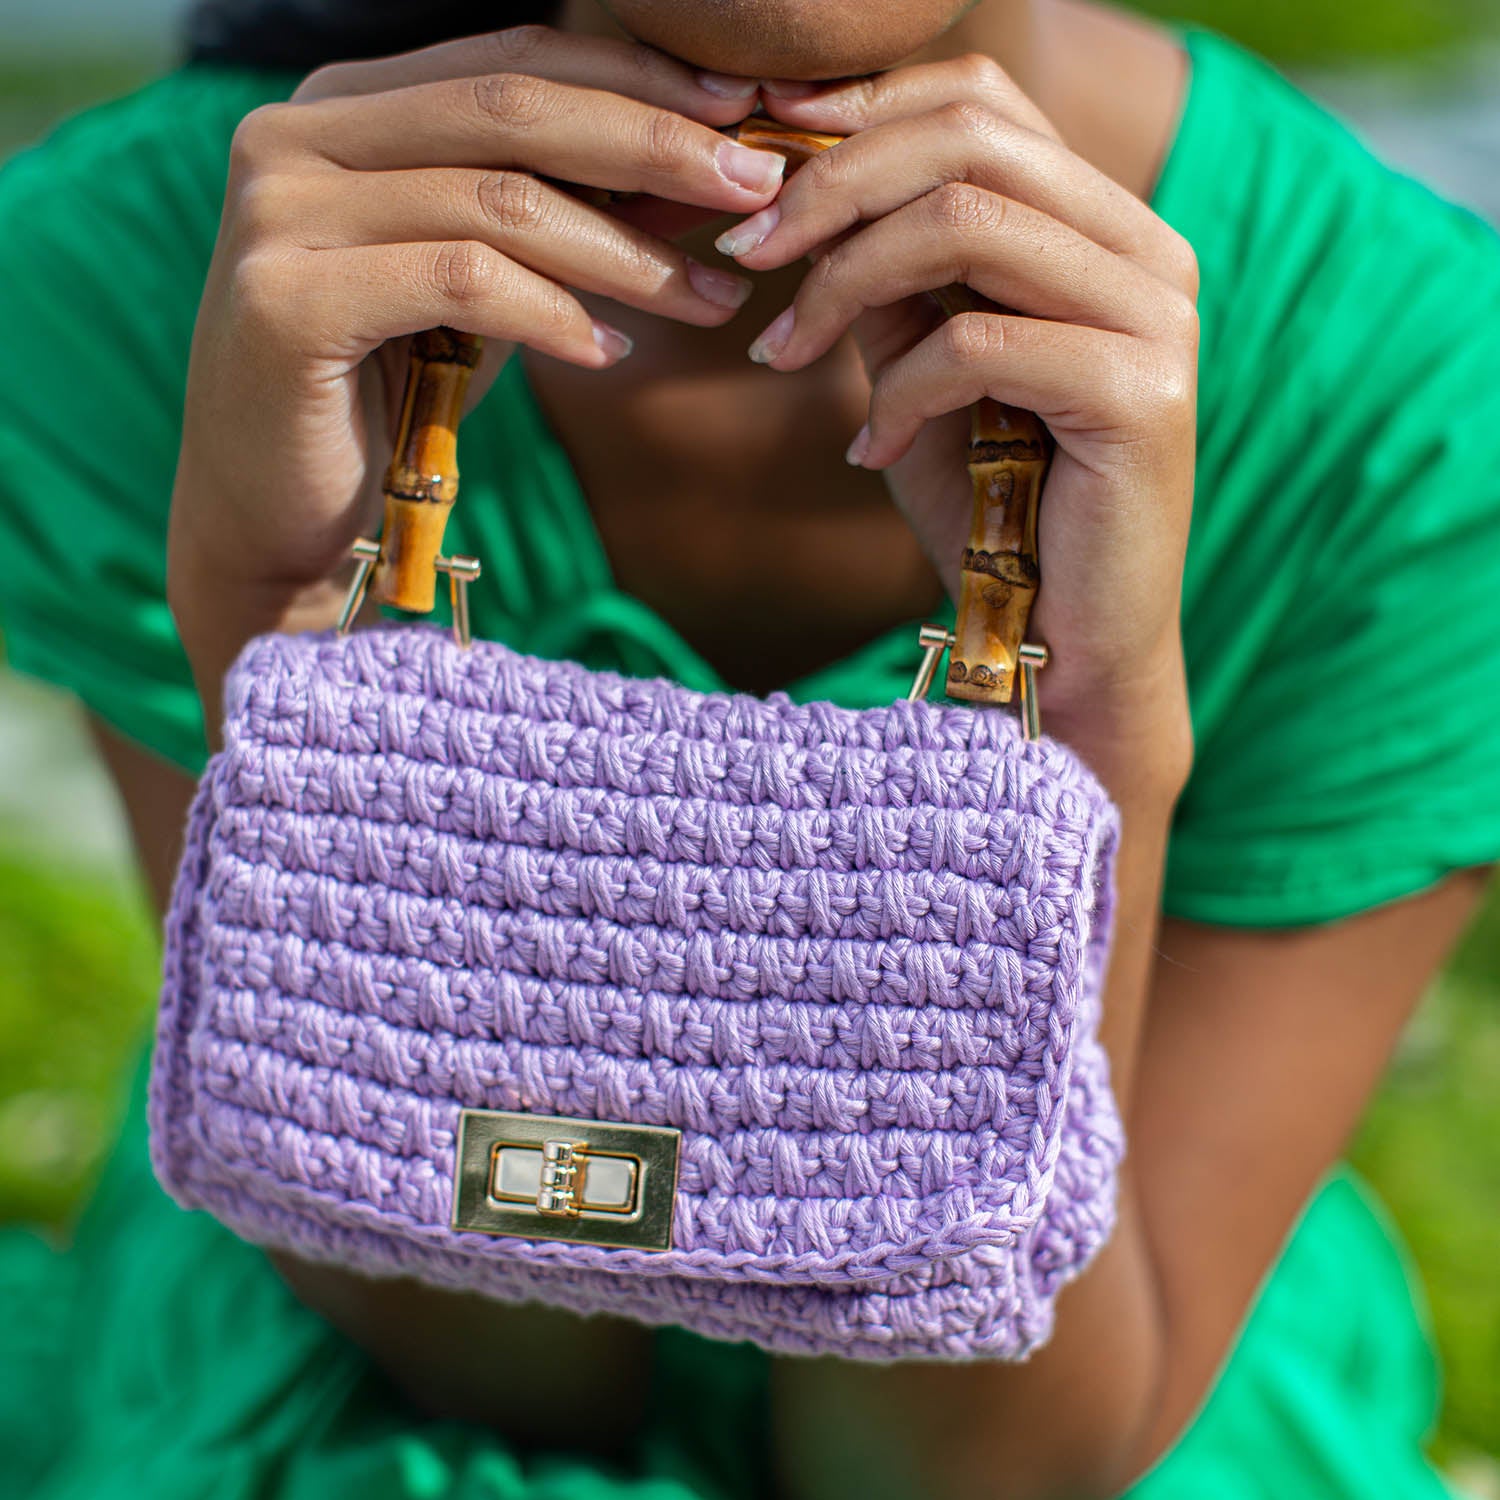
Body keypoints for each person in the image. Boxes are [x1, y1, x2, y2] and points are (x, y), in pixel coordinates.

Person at [2, 0, 1498, 1495]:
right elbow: (471, 1331)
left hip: (1101, 1367)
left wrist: (1092, 739)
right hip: (366, 1350)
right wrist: (273, 631)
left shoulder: (1416, 407)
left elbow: (981, 1470)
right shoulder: (169, 282)